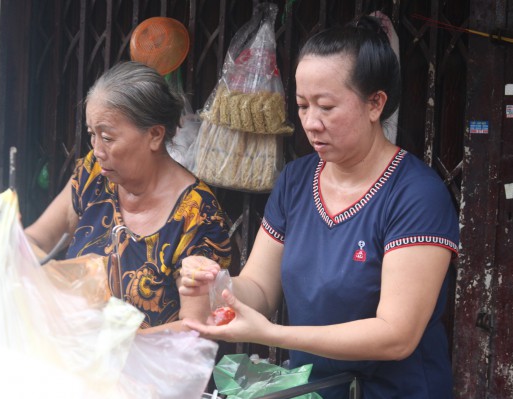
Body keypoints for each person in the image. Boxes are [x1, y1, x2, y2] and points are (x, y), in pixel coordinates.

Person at [179, 16, 459, 399]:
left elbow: (396, 335)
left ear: (375, 103)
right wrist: (218, 286)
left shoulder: (416, 194)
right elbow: (260, 288)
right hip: (316, 390)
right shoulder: (296, 180)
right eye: (302, 105)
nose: (311, 123)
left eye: (326, 107)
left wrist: (273, 334)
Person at [25, 61, 232, 334]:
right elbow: (37, 239)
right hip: (77, 366)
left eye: (108, 138)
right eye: (92, 135)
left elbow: (196, 329)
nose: (97, 150)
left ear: (155, 135)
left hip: (153, 373)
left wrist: (111, 344)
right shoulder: (94, 174)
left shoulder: (198, 214)